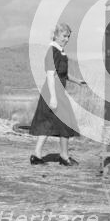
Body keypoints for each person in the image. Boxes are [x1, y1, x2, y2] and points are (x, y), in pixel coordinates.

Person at [29, 23, 85, 166]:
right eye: (64, 36)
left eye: (68, 36)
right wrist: (53, 97)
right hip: (52, 92)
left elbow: (63, 74)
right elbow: (50, 74)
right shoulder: (53, 51)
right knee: (65, 123)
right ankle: (64, 156)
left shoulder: (60, 51)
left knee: (48, 123)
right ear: (56, 35)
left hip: (57, 91)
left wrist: (77, 81)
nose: (66, 39)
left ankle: (36, 155)